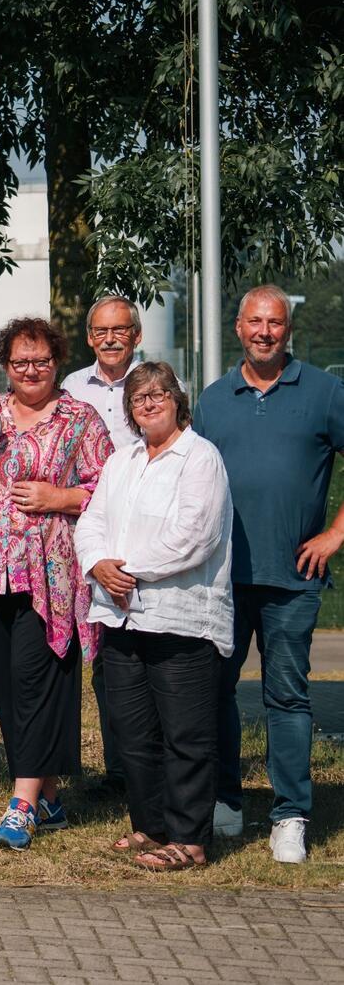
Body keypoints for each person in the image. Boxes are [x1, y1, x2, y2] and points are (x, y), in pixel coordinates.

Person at [0, 317, 112, 849]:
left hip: (48, 573)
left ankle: (22, 803)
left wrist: (60, 498)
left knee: (35, 680)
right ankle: (49, 796)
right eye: (20, 362)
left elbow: (111, 486)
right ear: (5, 366)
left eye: (41, 361)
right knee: (8, 684)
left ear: (57, 362)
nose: (31, 371)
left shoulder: (81, 419)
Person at [193, 284, 344, 864]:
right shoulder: (212, 400)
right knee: (214, 695)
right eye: (255, 322)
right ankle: (225, 802)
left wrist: (333, 535)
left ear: (288, 329)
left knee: (287, 697)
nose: (264, 332)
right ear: (238, 328)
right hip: (221, 580)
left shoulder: (326, 392)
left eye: (274, 323)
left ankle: (289, 816)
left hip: (292, 579)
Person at [74, 362, 233, 871]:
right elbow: (92, 521)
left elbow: (195, 535)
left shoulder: (200, 458)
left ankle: (190, 840)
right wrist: (98, 564)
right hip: (120, 619)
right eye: (139, 396)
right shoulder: (123, 461)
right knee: (133, 732)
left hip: (179, 618)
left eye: (159, 393)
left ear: (176, 399)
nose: (148, 402)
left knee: (185, 735)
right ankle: (151, 826)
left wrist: (128, 572)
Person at [61, 295, 149, 792]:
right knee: (96, 649)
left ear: (136, 335)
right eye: (101, 331)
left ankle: (137, 766)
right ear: (90, 337)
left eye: (120, 330)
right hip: (84, 528)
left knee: (137, 647)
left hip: (143, 530)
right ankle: (110, 772)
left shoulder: (160, 382)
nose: (110, 339)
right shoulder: (73, 388)